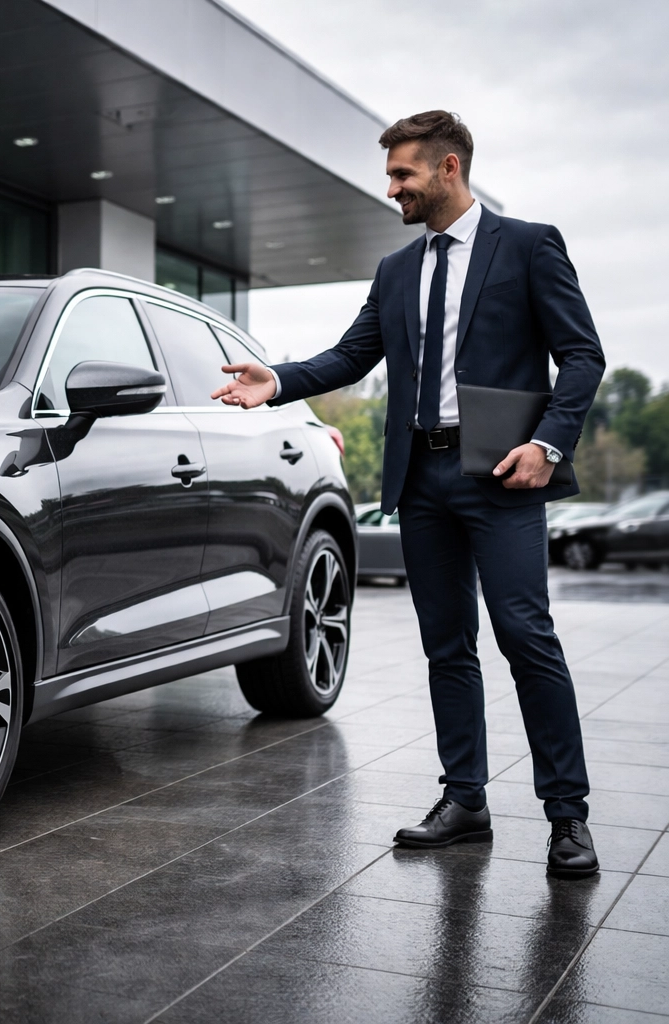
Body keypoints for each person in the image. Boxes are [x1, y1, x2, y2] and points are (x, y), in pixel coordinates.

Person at [211, 110, 605, 879]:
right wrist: (277, 380)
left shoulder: (528, 246)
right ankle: (464, 800)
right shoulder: (397, 270)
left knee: (525, 637)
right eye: (390, 175)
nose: (392, 188)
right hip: (421, 478)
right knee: (446, 645)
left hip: (502, 472)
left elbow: (582, 355)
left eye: (403, 174)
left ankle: (568, 816)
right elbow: (352, 356)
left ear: (449, 167)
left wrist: (548, 443)